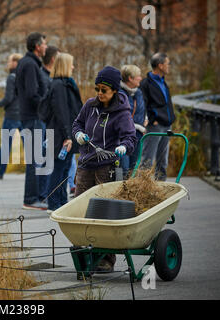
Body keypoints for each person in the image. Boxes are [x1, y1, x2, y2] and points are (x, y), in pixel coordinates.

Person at [72, 66, 137, 272]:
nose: (99, 94)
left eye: (104, 90)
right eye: (97, 89)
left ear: (115, 91)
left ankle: (106, 259)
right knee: (80, 209)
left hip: (106, 167)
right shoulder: (90, 105)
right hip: (85, 165)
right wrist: (78, 135)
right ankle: (82, 252)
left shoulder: (122, 112)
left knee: (103, 213)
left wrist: (123, 146)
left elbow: (130, 137)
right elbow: (77, 124)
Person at [45, 53, 83, 213]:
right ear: (65, 65)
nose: (73, 67)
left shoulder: (65, 84)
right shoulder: (59, 86)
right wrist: (67, 136)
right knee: (59, 168)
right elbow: (61, 112)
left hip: (66, 132)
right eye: (71, 64)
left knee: (65, 167)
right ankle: (53, 203)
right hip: (62, 134)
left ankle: (60, 200)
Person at [15, 32, 48, 210]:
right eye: (44, 44)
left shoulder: (27, 63)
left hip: (29, 117)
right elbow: (32, 94)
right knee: (35, 159)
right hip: (33, 118)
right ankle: (30, 199)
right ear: (37, 46)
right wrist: (46, 105)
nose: (46, 47)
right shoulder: (30, 65)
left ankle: (35, 197)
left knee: (36, 158)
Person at [140, 53, 176, 181]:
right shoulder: (146, 83)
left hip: (167, 125)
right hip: (155, 126)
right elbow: (143, 103)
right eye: (167, 63)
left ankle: (162, 189)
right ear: (160, 65)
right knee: (147, 160)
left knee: (163, 161)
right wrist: (152, 119)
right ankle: (141, 188)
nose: (169, 66)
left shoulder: (163, 81)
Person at [0, 53, 23, 180]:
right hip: (24, 115)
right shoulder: (25, 76)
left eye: (9, 61)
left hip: (12, 115)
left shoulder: (11, 77)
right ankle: (36, 172)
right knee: (30, 146)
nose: (8, 64)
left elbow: (8, 98)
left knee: (6, 144)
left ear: (15, 63)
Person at [38, 45, 59, 202]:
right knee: (45, 158)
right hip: (44, 122)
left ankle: (45, 193)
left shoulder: (48, 77)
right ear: (53, 59)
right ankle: (44, 194)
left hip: (47, 122)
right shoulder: (44, 78)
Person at [119, 65, 148, 177]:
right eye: (138, 76)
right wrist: (139, 126)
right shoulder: (120, 94)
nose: (141, 78)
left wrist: (146, 118)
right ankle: (120, 192)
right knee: (124, 169)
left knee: (134, 168)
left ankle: (132, 193)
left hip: (138, 136)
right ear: (130, 78)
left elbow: (142, 109)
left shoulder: (139, 92)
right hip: (124, 136)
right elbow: (122, 118)